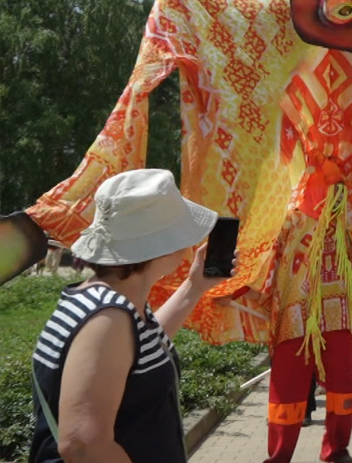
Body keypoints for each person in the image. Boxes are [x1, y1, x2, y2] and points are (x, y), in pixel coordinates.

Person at [30, 169, 230, 463]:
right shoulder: (107, 318)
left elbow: (138, 349)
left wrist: (194, 287)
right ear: (162, 246)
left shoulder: (110, 303)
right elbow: (83, 445)